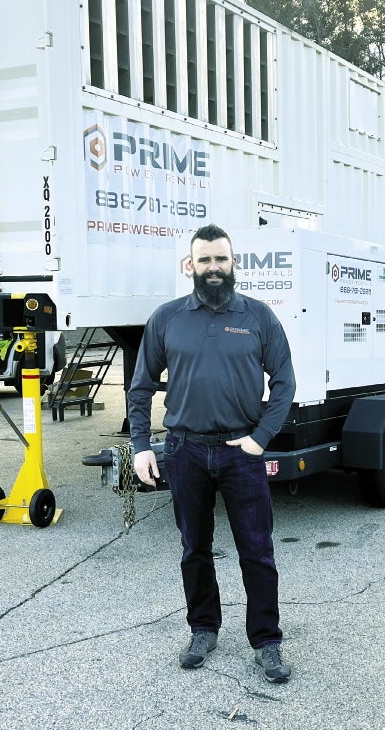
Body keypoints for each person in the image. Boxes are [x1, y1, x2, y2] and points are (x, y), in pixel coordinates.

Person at [128, 223, 297, 684]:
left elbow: (284, 382)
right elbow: (141, 386)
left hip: (240, 451)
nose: (213, 267)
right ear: (191, 266)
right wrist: (142, 445)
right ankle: (203, 629)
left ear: (234, 262)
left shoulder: (259, 317)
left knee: (257, 551)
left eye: (220, 259)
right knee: (193, 549)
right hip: (184, 450)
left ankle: (267, 641)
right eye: (204, 260)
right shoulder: (167, 319)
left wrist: (260, 438)